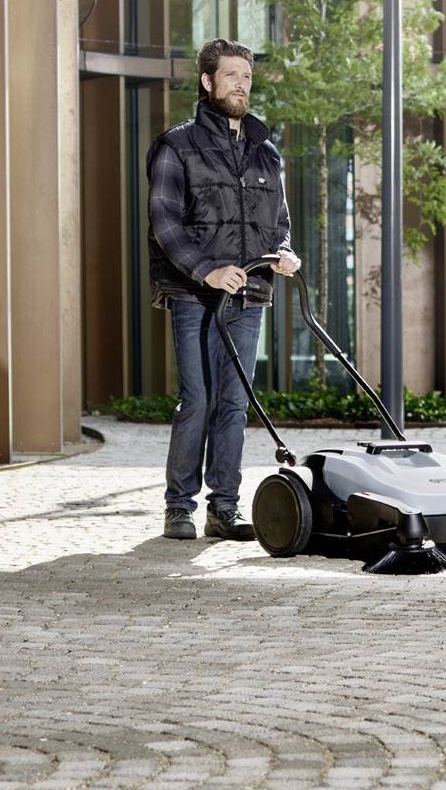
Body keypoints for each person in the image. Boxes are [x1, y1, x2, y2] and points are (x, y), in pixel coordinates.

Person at [147, 38, 299, 540]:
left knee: (234, 402)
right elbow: (165, 225)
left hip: (249, 295)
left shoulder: (265, 151)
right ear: (208, 82)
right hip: (195, 295)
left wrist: (284, 252)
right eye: (231, 75)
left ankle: (224, 508)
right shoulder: (177, 146)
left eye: (247, 77)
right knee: (199, 398)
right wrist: (207, 271)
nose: (240, 84)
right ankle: (178, 507)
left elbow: (278, 220)